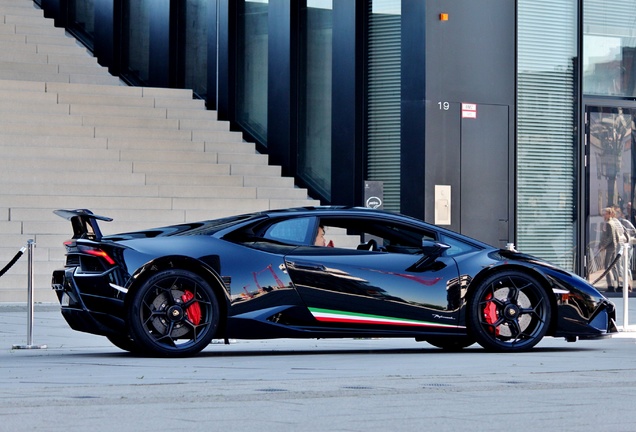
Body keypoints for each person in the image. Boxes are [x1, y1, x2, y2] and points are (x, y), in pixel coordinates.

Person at [598, 207, 624, 292]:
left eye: (605, 213)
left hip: (610, 248)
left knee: (607, 267)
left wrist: (603, 246)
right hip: (613, 247)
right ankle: (619, 285)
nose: (603, 215)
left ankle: (610, 286)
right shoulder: (613, 222)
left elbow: (610, 237)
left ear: (609, 214)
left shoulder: (609, 223)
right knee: (613, 267)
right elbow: (616, 236)